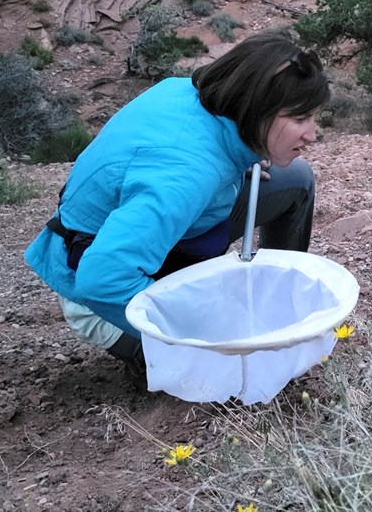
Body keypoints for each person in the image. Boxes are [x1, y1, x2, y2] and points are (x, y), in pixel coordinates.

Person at [23, 29, 330, 382]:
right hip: (96, 289)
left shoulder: (195, 96)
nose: (312, 133)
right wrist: (203, 340)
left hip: (160, 233)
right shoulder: (186, 173)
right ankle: (157, 359)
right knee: (224, 373)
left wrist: (249, 156)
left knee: (295, 180)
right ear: (256, 109)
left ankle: (277, 301)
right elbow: (100, 280)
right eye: (300, 118)